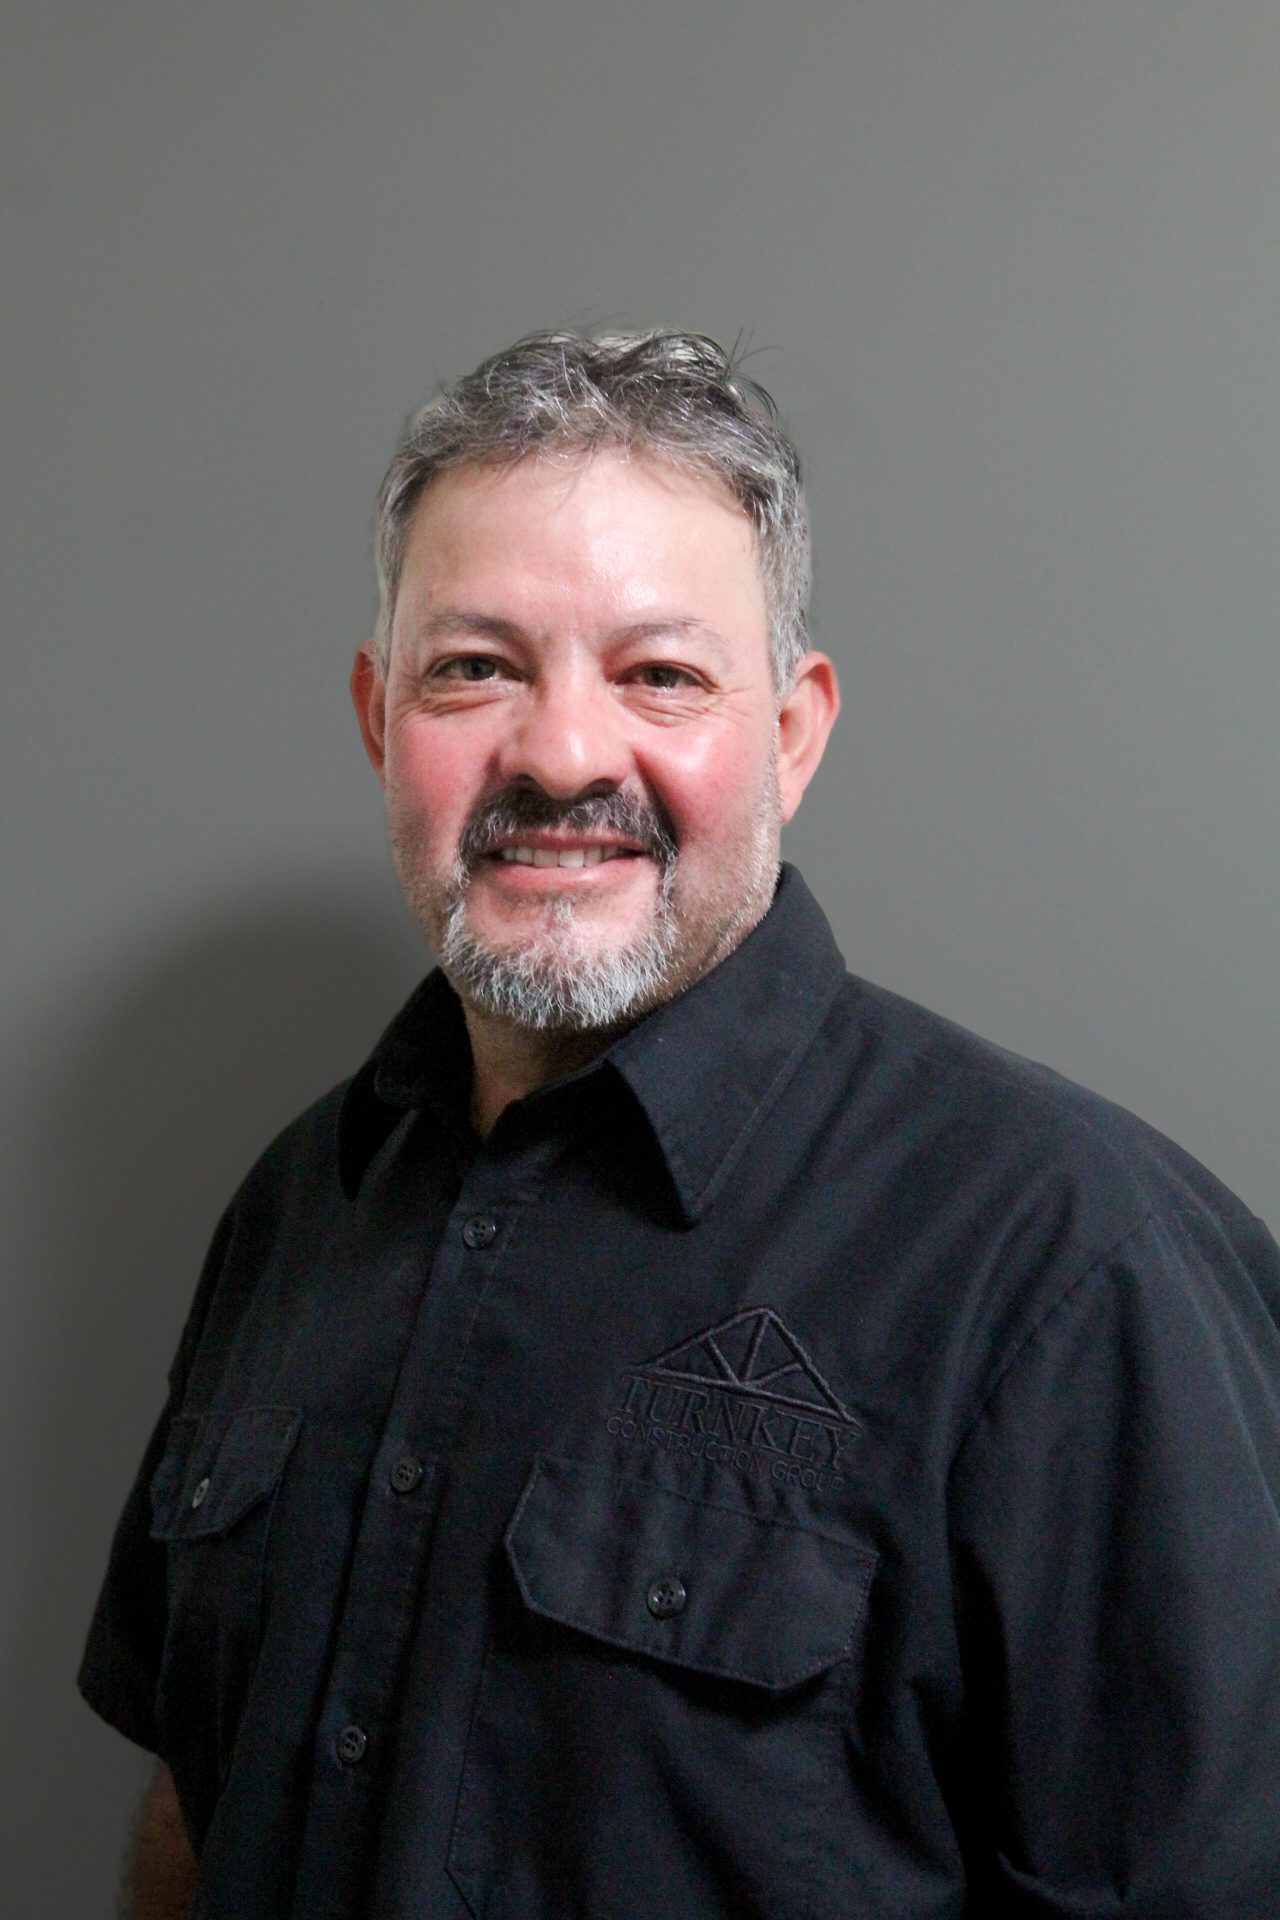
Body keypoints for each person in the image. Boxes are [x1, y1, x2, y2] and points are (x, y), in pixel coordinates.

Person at [81, 332, 1280, 1920]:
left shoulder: (1074, 1261)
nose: (565, 754)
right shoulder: (303, 1202)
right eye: (474, 668)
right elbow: (191, 1792)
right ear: (383, 721)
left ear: (792, 731)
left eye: (660, 674)